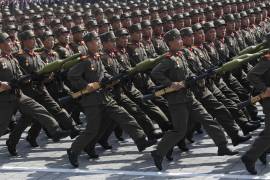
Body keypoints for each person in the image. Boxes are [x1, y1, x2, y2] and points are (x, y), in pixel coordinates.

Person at [150, 29, 237, 171]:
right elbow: (155, 73)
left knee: (207, 119)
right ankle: (158, 153)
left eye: (180, 39)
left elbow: (187, 71)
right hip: (177, 101)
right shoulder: (168, 59)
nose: (180, 41)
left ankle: (222, 146)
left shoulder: (181, 55)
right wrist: (170, 83)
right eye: (177, 40)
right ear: (170, 43)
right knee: (179, 130)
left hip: (189, 96)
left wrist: (195, 76)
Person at [66, 31, 156, 168]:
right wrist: (85, 85)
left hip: (105, 96)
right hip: (91, 100)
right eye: (96, 41)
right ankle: (74, 150)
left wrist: (109, 78)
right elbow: (72, 75)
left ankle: (141, 140)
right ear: (89, 44)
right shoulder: (85, 61)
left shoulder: (97, 58)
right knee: (92, 129)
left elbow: (102, 73)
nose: (99, 43)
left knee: (124, 116)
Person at [0, 32, 70, 156]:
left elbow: (19, 75)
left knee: (38, 109)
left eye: (11, 41)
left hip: (18, 94)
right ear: (1, 44)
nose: (12, 43)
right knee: (2, 126)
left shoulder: (12, 59)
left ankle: (55, 130)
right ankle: (11, 142)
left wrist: (28, 78)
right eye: (8, 41)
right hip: (4, 98)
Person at [241, 50, 270, 175]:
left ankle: (263, 150)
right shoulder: (268, 59)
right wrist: (265, 89)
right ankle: (250, 157)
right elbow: (251, 75)